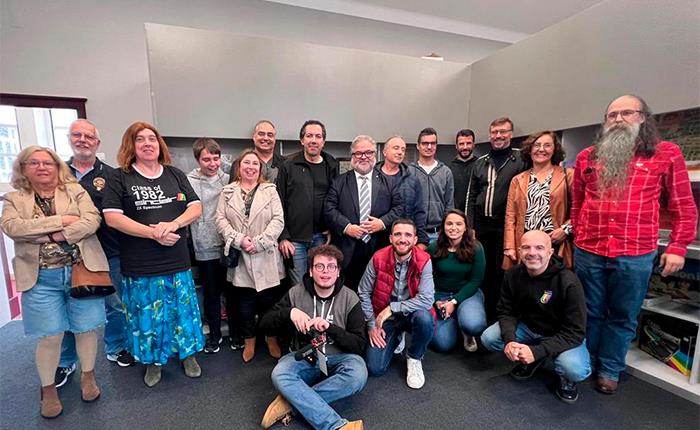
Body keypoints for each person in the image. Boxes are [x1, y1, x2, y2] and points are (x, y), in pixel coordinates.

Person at [571, 94, 698, 394]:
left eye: (626, 113)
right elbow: (577, 203)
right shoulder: (587, 156)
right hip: (589, 250)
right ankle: (587, 361)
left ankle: (610, 368)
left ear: (642, 118)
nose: (618, 119)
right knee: (589, 311)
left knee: (623, 314)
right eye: (612, 115)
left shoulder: (666, 154)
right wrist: (578, 234)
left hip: (635, 253)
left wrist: (678, 247)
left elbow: (684, 206)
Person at [1, 146, 107, 418]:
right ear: (23, 168)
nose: (42, 167)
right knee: (50, 336)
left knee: (86, 330)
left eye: (47, 162)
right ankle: (48, 390)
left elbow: (92, 221)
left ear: (57, 166)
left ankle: (88, 376)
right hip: (40, 279)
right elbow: (13, 228)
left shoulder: (75, 191)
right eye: (34, 163)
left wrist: (50, 236)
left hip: (81, 271)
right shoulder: (14, 198)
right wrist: (62, 220)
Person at [103, 121, 204, 387]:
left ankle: (188, 356)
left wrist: (173, 224)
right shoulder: (119, 177)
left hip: (177, 261)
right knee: (148, 317)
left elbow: (195, 207)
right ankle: (153, 362)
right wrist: (153, 233)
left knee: (183, 314)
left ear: (159, 144)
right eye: (140, 139)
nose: (148, 143)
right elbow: (113, 218)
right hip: (141, 265)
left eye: (152, 138)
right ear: (131, 145)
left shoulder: (174, 174)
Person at [56, 119, 134, 391]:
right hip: (65, 255)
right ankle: (66, 361)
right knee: (67, 310)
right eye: (77, 135)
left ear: (97, 143)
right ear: (69, 139)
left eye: (89, 136)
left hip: (108, 252)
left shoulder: (112, 175)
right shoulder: (57, 174)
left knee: (116, 305)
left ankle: (116, 346)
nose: (83, 140)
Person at [260, 245, 366, 430]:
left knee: (358, 374)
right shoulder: (295, 293)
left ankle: (290, 403)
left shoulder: (350, 298)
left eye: (331, 266)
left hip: (339, 358)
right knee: (280, 373)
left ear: (338, 272)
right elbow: (264, 324)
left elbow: (359, 345)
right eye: (319, 266)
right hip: (304, 357)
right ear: (310, 271)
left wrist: (330, 328)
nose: (325, 271)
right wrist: (289, 312)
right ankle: (336, 426)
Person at [481, 230, 591, 403]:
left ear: (550, 252)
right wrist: (510, 340)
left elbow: (575, 332)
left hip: (561, 335)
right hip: (529, 329)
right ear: (520, 251)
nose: (532, 253)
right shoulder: (513, 274)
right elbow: (506, 311)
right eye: (526, 247)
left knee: (574, 368)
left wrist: (537, 351)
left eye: (539, 248)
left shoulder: (568, 281)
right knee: (489, 338)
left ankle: (565, 379)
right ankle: (531, 358)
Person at [216, 149, 286, 362]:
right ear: (239, 167)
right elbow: (220, 220)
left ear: (260, 168)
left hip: (265, 254)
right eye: (246, 163)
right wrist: (239, 240)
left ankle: (271, 338)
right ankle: (249, 340)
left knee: (268, 302)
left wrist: (259, 242)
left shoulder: (270, 190)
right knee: (244, 304)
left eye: (255, 164)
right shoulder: (227, 192)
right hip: (241, 257)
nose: (251, 167)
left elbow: (278, 220)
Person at [358, 219, 435, 389]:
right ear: (391, 238)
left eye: (408, 235)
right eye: (398, 234)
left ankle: (414, 357)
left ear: (415, 239)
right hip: (385, 318)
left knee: (425, 318)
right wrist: (371, 325)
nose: (403, 239)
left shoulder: (424, 260)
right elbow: (363, 292)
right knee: (375, 368)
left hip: (411, 314)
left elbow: (427, 299)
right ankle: (397, 336)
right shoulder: (378, 258)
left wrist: (393, 308)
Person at [466, 117, 527, 321]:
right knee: (483, 271)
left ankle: (501, 316)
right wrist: (470, 227)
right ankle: (482, 315)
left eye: (503, 132)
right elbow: (471, 196)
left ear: (511, 134)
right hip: (482, 226)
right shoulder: (480, 162)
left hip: (507, 226)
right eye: (494, 132)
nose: (498, 136)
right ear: (490, 135)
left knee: (505, 272)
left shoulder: (521, 159)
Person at [325, 135, 403, 291]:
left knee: (376, 291)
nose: (363, 157)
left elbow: (399, 208)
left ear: (375, 155)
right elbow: (329, 208)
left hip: (378, 246)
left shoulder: (389, 182)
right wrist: (347, 227)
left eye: (368, 152)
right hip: (347, 248)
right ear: (352, 156)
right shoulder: (339, 181)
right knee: (347, 292)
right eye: (358, 153)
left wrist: (382, 223)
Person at [187, 138, 235, 353]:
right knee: (211, 293)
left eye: (216, 158)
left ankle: (235, 333)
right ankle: (214, 335)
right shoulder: (188, 181)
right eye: (207, 159)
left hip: (229, 244)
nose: (213, 164)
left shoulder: (229, 179)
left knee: (232, 291)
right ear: (198, 159)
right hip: (204, 245)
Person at [277, 120, 339, 286]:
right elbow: (279, 202)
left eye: (318, 136)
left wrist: (331, 227)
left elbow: (335, 200)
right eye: (309, 136)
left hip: (321, 237)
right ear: (302, 140)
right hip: (294, 239)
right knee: (299, 285)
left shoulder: (331, 164)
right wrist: (283, 237)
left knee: (320, 283)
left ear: (323, 141)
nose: (313, 140)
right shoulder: (288, 165)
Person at [503, 131, 574, 270]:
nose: (541, 149)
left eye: (547, 145)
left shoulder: (568, 175)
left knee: (553, 282)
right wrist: (509, 246)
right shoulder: (518, 180)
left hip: (555, 244)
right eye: (537, 145)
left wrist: (565, 230)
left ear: (554, 149)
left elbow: (580, 209)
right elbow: (510, 216)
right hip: (526, 245)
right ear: (529, 150)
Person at [428, 210, 486, 353]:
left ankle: (466, 329)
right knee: (443, 344)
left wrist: (454, 302)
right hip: (441, 294)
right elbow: (427, 278)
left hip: (467, 294)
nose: (454, 228)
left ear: (465, 227)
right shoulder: (434, 247)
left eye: (459, 224)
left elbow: (476, 281)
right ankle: (455, 319)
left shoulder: (476, 248)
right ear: (443, 226)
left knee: (473, 325)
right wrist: (436, 299)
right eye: (449, 224)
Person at [376, 135, 428, 247]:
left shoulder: (412, 180)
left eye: (403, 149)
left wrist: (422, 241)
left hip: (403, 241)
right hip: (375, 239)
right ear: (384, 152)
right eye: (396, 148)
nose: (400, 152)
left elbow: (419, 212)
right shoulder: (371, 177)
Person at [408, 127, 454, 242]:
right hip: (414, 233)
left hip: (438, 233)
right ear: (418, 146)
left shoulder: (445, 172)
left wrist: (446, 228)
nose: (429, 147)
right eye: (425, 143)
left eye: (432, 143)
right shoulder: (409, 171)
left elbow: (449, 204)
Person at [448, 129, 477, 212]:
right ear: (456, 146)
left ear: (473, 145)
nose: (465, 147)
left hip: (475, 215)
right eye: (461, 144)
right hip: (455, 214)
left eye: (468, 143)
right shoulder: (448, 169)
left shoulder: (480, 166)